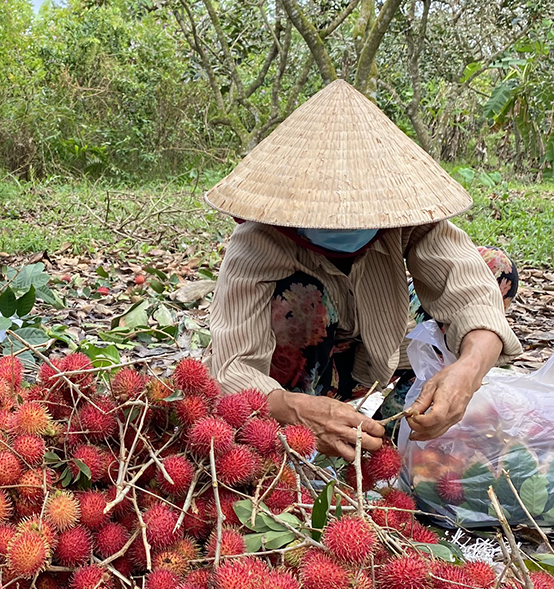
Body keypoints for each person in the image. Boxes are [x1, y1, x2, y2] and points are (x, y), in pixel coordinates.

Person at [205, 80, 522, 461]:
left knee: (493, 267)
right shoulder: (258, 240)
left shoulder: (405, 217)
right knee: (302, 297)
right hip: (302, 373)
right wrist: (293, 410)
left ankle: (410, 411)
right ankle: (318, 418)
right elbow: (231, 366)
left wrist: (468, 371)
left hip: (383, 345)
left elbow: (469, 289)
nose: (344, 220)